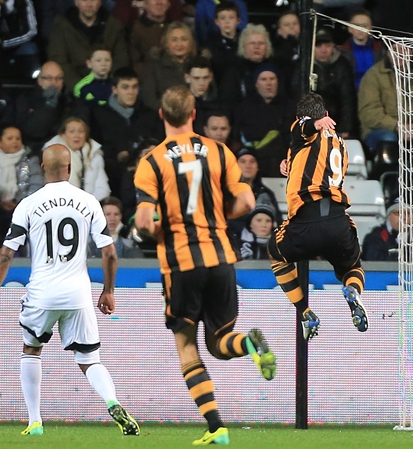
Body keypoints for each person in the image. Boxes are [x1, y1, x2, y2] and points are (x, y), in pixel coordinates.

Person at [133, 85, 275, 445]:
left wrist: (158, 229)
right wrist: (216, 219)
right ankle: (250, 344)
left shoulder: (151, 162)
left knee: (187, 345)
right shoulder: (219, 151)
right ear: (194, 114)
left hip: (182, 261)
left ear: (162, 115)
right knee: (219, 341)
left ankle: (216, 427)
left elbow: (145, 222)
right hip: (221, 258)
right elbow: (247, 201)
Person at [1, 144, 139, 437]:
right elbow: (109, 253)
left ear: (42, 168)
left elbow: (6, 254)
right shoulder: (89, 202)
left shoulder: (28, 204)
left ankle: (35, 422)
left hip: (42, 293)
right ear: (70, 168)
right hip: (78, 294)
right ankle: (112, 401)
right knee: (89, 359)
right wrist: (108, 291)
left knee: (31, 349)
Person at [267, 93, 368, 341]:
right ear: (327, 114)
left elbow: (303, 129)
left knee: (275, 253)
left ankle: (305, 313)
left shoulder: (304, 129)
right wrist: (289, 162)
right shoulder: (341, 145)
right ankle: (353, 291)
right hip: (337, 222)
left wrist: (313, 123)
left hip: (306, 222)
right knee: (352, 267)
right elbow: (317, 166)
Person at [86, 67, 163, 199]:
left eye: (134, 87)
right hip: (111, 180)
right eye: (125, 87)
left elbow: (159, 142)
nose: (130, 92)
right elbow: (94, 147)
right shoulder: (99, 115)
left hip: (146, 177)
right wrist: (117, 156)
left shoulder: (149, 115)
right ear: (114, 89)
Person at [48, 0, 130, 92]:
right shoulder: (62, 26)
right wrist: (81, 87)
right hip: (72, 90)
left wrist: (106, 87)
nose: (89, 4)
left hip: (108, 89)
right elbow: (59, 61)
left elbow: (121, 61)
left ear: (100, 2)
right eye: (84, 0)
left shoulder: (114, 26)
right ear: (76, 2)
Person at [14, 61, 80, 152]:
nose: (54, 82)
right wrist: (49, 105)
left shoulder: (70, 100)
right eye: (49, 78)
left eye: (58, 78)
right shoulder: (26, 98)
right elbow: (31, 132)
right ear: (39, 80)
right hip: (32, 149)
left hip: (64, 149)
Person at [43, 116, 110, 201]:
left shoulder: (95, 155)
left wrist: (88, 203)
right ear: (63, 135)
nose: (77, 135)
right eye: (72, 131)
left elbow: (102, 187)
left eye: (81, 131)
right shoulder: (53, 155)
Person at [140, 22, 197, 111]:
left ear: (191, 42)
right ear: (166, 43)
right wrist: (172, 112)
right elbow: (149, 100)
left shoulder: (199, 64)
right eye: (174, 40)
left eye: (184, 39)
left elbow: (210, 95)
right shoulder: (154, 67)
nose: (179, 44)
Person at [0, 124, 44, 239]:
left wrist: (18, 202)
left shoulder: (30, 160)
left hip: (22, 209)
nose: (15, 141)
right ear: (0, 142)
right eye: (10, 138)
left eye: (18, 138)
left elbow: (37, 185)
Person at [339, 9, 386, 89]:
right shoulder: (341, 52)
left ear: (371, 28)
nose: (361, 29)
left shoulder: (381, 50)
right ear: (350, 28)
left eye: (365, 26)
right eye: (357, 26)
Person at [128, 0, 174, 75]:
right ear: (145, 4)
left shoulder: (176, 29)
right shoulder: (134, 30)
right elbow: (134, 62)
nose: (159, 2)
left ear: (168, 4)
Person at [239, 196, 276, 261]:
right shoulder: (238, 244)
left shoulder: (279, 246)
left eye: (268, 221)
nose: (264, 225)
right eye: (259, 220)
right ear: (250, 224)